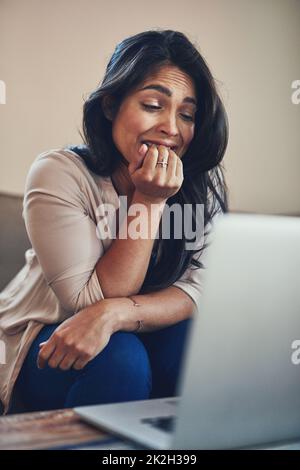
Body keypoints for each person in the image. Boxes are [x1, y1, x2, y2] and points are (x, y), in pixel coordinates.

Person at [0, 29, 228, 415]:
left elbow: (201, 288)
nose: (172, 128)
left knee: (193, 341)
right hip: (44, 342)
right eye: (154, 105)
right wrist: (151, 200)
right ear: (110, 106)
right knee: (119, 357)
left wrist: (119, 313)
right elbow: (88, 303)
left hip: (135, 331)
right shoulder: (59, 172)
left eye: (187, 114)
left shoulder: (197, 183)